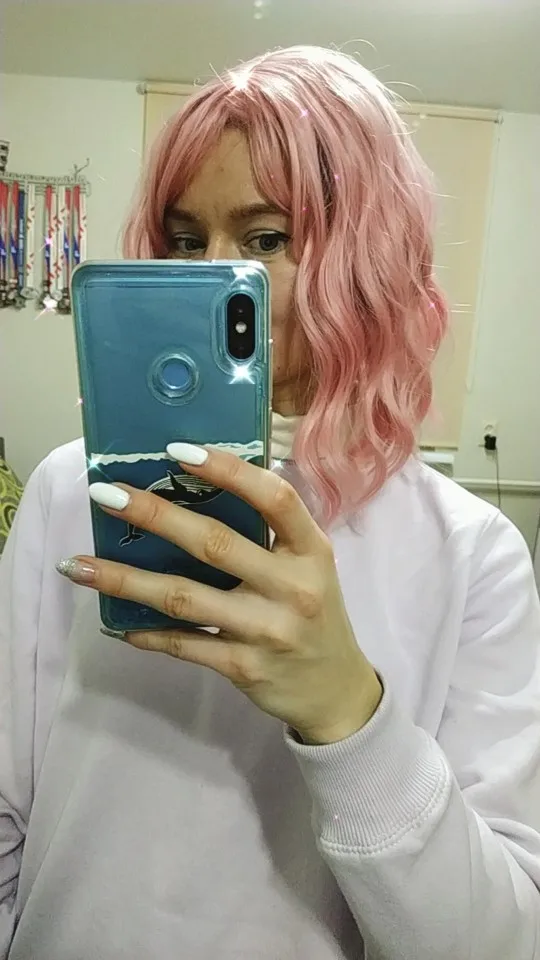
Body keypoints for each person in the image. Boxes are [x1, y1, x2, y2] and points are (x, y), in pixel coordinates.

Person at [1, 45, 539, 960]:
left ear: (371, 255)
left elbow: (498, 939)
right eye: (185, 240)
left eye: (263, 239)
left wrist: (349, 715)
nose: (212, 275)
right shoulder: (73, 488)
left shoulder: (472, 553)